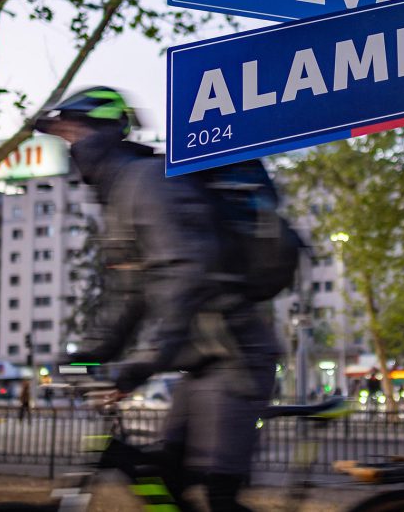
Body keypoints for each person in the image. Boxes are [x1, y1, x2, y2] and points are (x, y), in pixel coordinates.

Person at [37, 87, 281, 512]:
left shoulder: (148, 181)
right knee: (166, 475)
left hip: (237, 356)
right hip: (202, 360)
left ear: (104, 132)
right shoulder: (120, 200)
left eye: (73, 134)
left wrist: (140, 363)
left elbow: (186, 272)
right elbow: (128, 299)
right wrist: (84, 358)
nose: (69, 147)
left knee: (216, 495)